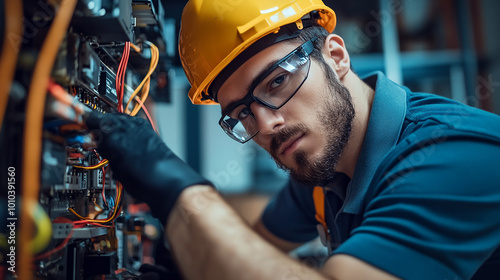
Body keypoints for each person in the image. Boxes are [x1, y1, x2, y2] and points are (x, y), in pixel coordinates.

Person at [85, 0, 500, 279]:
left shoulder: (450, 154)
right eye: (242, 112)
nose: (264, 124)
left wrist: (178, 191)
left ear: (335, 57)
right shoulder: (324, 169)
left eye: (278, 80)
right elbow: (257, 242)